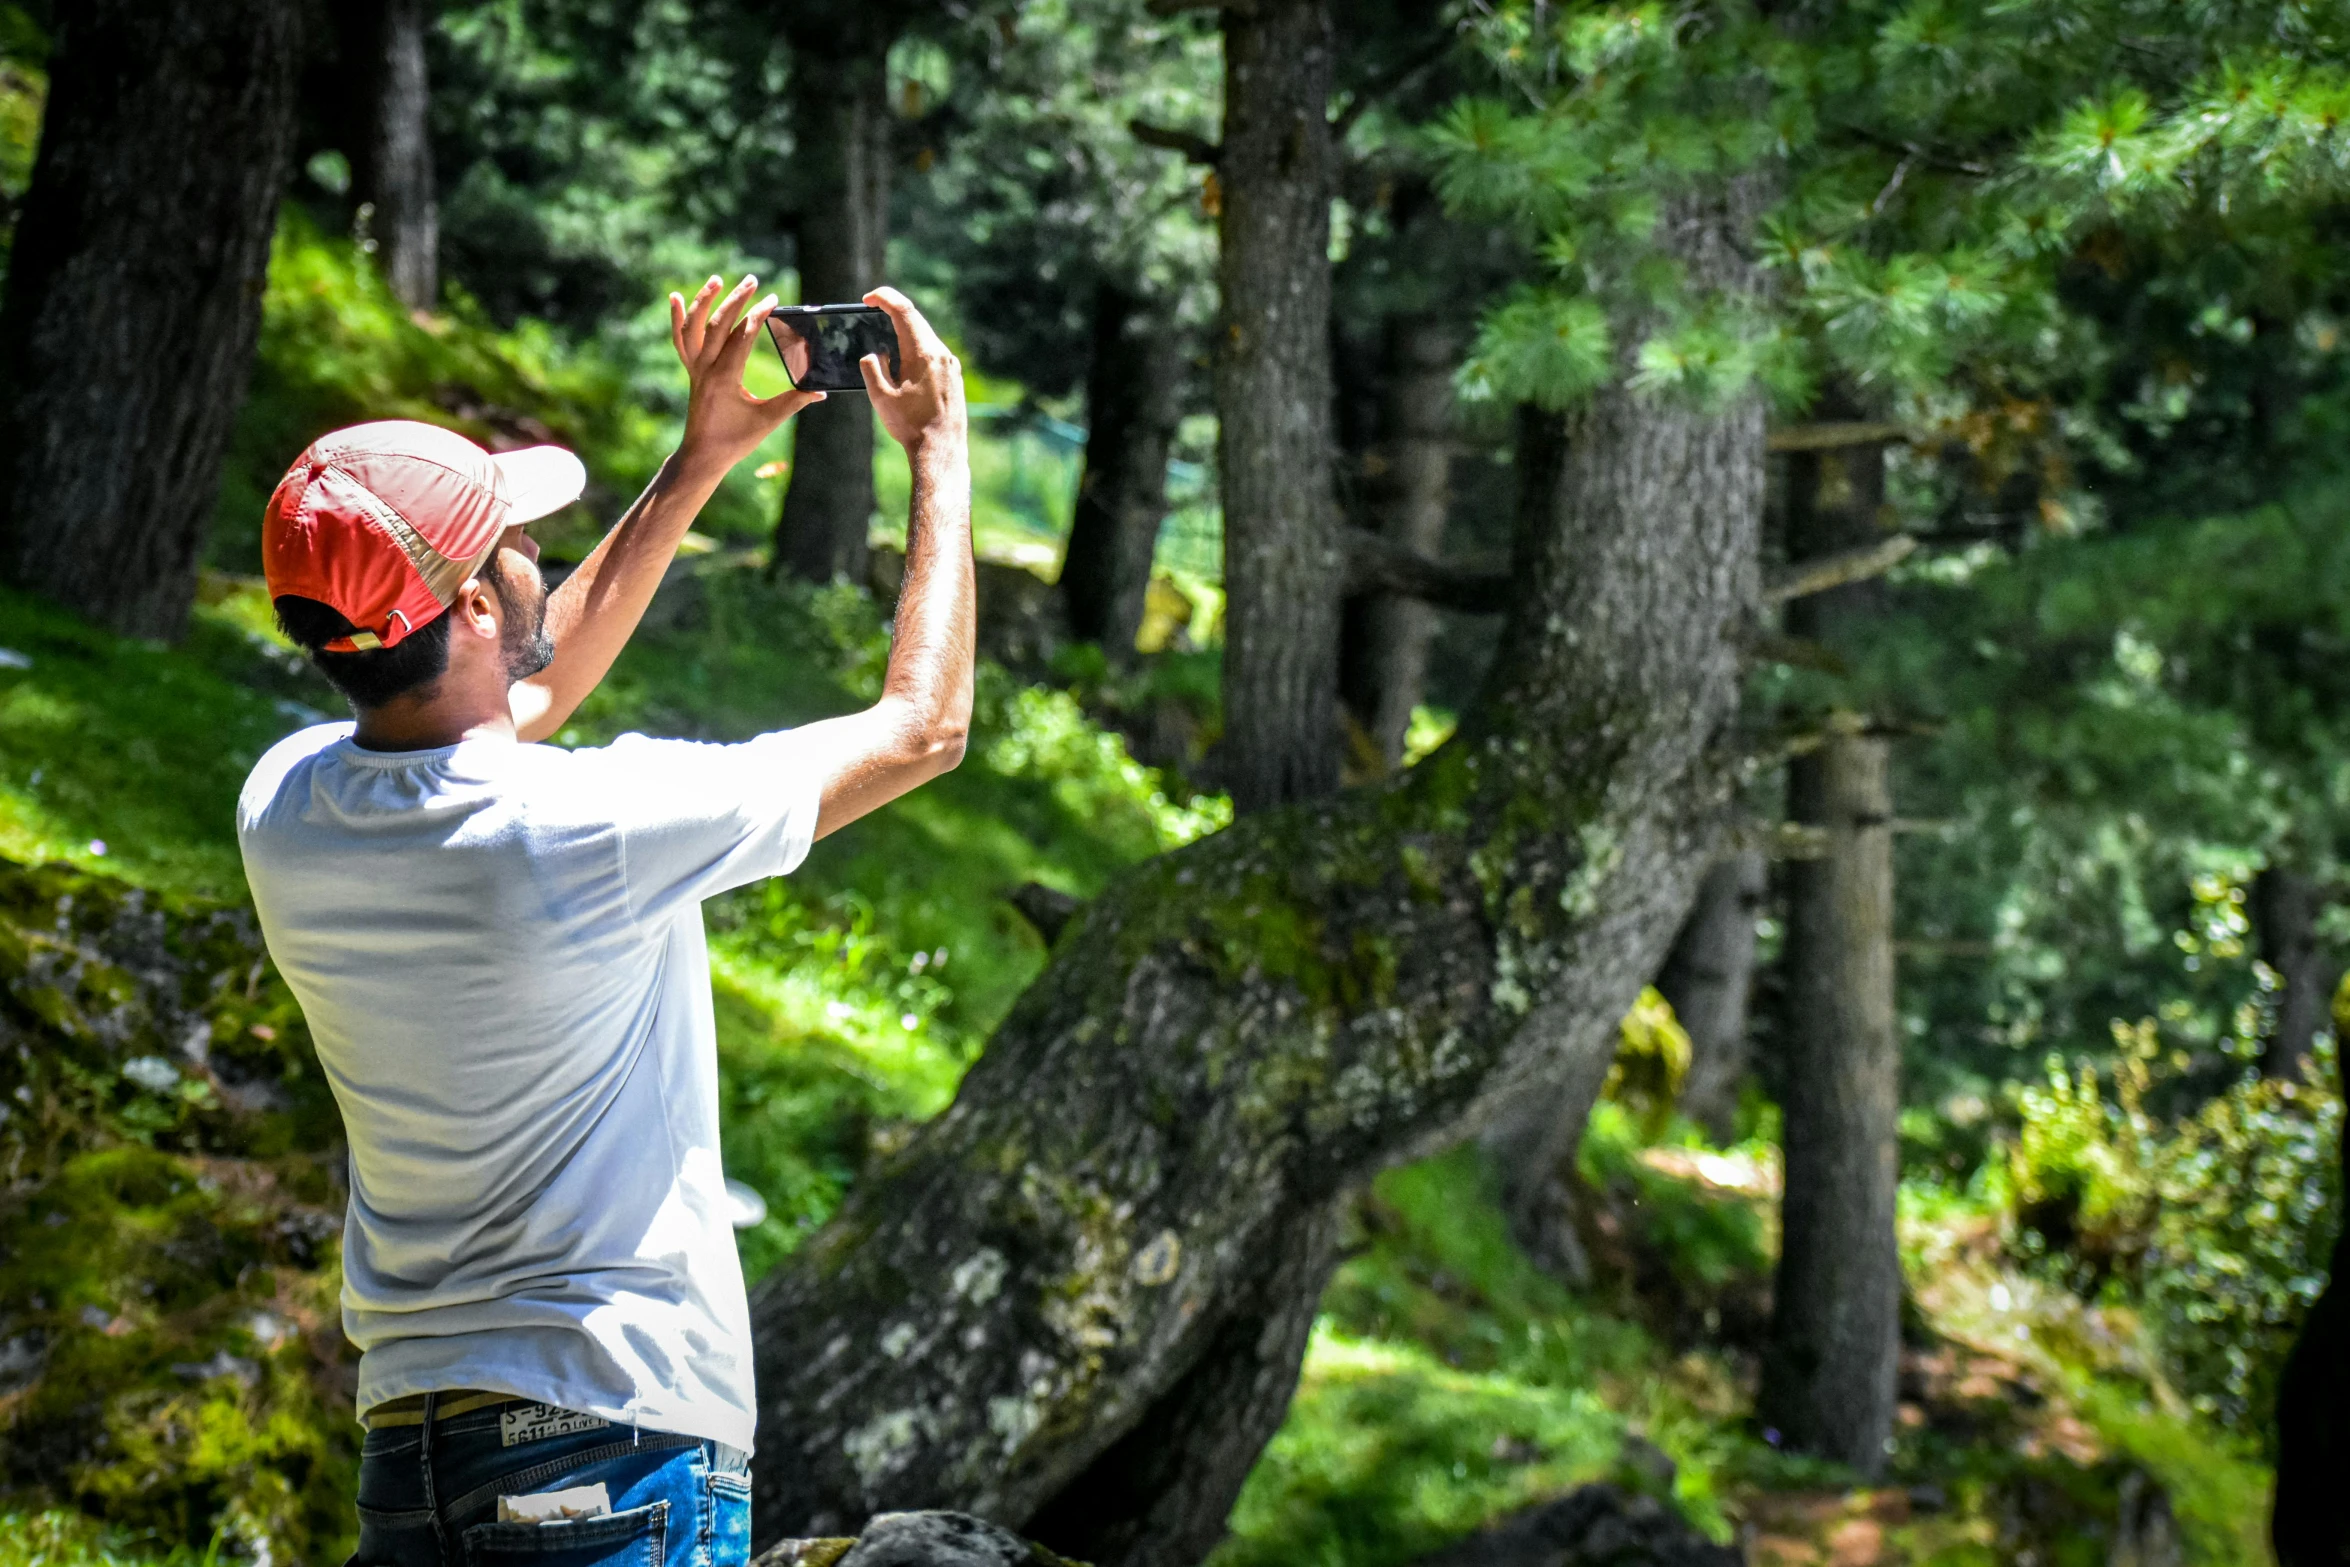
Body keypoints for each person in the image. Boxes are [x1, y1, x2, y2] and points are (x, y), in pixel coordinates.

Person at [236, 278, 973, 1567]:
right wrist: (939, 451)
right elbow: (925, 729)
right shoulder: (584, 832)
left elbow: (524, 691)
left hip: (410, 1450)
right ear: (468, 608)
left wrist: (701, 462)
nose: (536, 554)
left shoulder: (287, 810)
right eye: (515, 541)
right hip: (609, 1435)